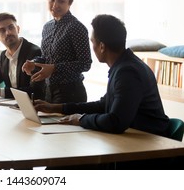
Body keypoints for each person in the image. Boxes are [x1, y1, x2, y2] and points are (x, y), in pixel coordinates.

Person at [34, 14, 170, 137]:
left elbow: (115, 121)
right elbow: (103, 105)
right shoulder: (124, 66)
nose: (92, 47)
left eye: (92, 42)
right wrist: (57, 108)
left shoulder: (127, 72)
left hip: (149, 145)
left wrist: (80, 119)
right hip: (136, 137)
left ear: (102, 47)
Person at [22, 0, 92, 103]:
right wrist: (34, 63)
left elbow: (85, 63)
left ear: (70, 3)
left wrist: (54, 68)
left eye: (61, 1)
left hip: (71, 92)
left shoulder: (76, 27)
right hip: (49, 90)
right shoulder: (47, 27)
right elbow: (46, 58)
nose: (55, 5)